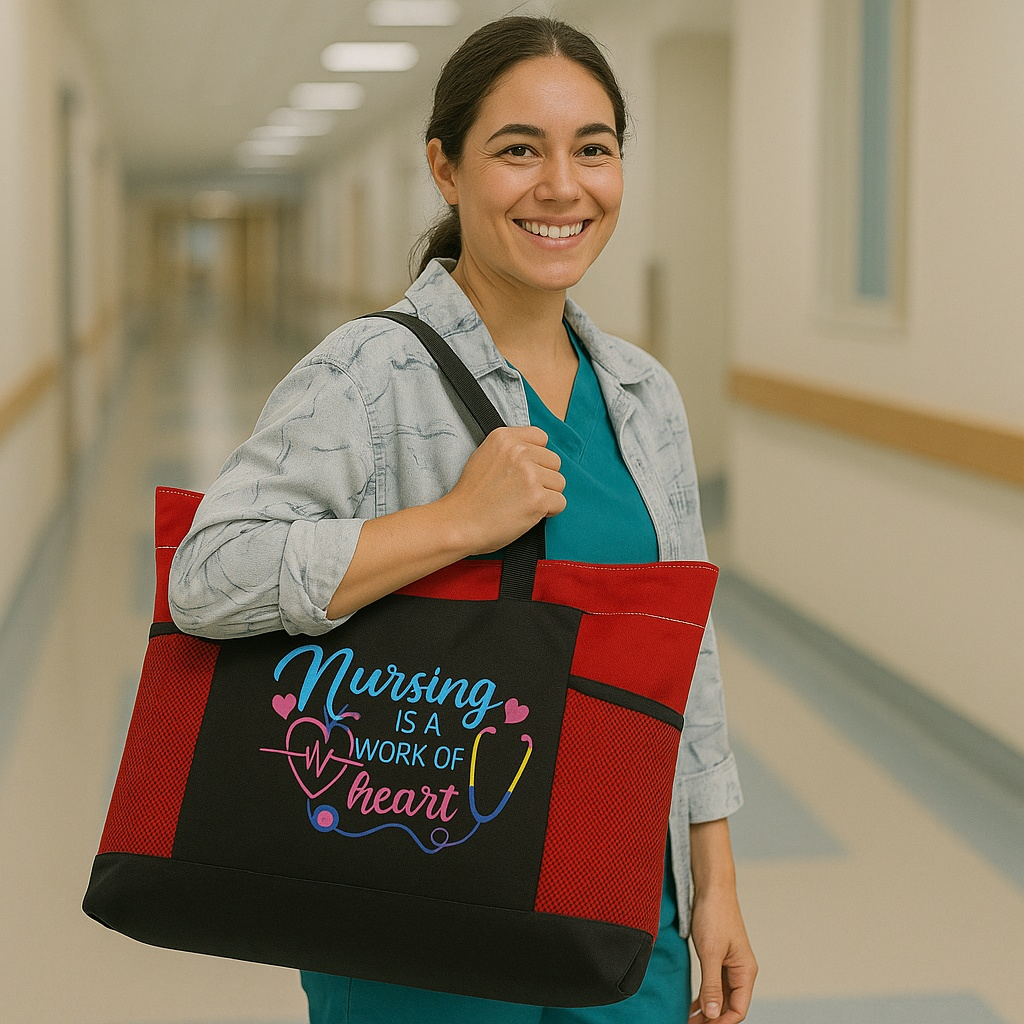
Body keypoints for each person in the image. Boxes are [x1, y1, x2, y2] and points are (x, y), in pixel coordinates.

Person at [169, 15, 757, 1024]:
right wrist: (451, 522)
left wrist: (715, 884)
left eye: (594, 149)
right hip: (418, 908)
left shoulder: (641, 394)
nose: (562, 185)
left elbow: (680, 655)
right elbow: (205, 576)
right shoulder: (364, 374)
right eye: (518, 149)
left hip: (618, 906)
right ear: (445, 168)